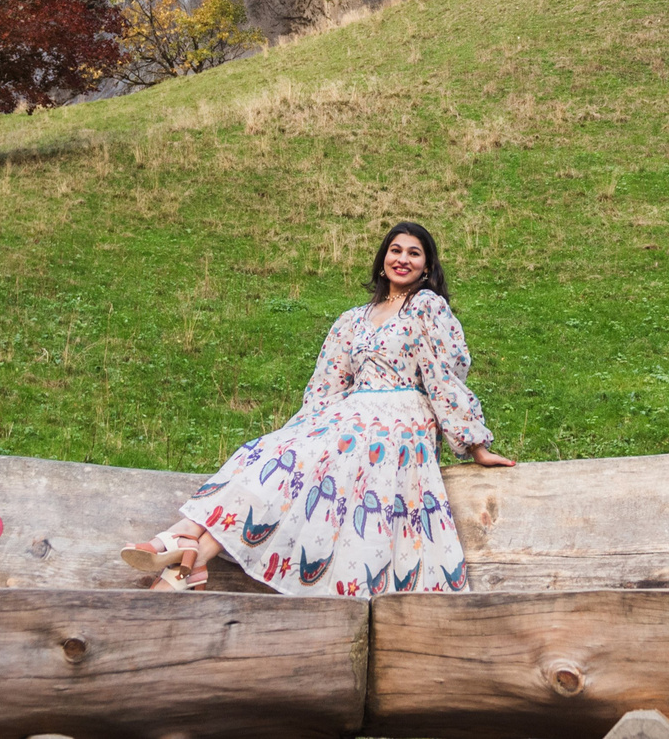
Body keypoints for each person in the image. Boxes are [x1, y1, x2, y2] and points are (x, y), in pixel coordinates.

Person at [122, 220, 515, 594]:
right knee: (273, 455)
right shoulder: (352, 320)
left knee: (316, 459)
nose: (402, 259)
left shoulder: (426, 307)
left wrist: (475, 444)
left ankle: (184, 544)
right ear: (382, 259)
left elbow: (444, 377)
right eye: (395, 250)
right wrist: (300, 434)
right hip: (352, 414)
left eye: (414, 253)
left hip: (402, 420)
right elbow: (327, 385)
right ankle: (191, 551)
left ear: (427, 266)